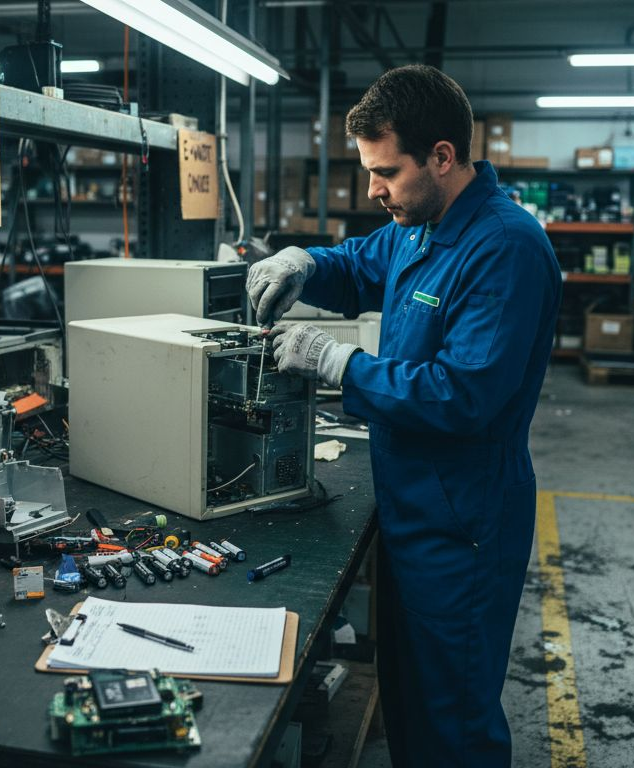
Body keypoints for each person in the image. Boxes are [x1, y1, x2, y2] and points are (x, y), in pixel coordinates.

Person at [247, 65, 561, 765]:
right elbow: (361, 263)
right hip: (413, 508)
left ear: (442, 157)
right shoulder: (420, 225)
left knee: (453, 722)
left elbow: (462, 394)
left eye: (385, 171)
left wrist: (338, 363)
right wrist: (304, 263)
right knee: (411, 704)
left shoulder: (504, 247)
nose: (372, 189)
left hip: (463, 526)